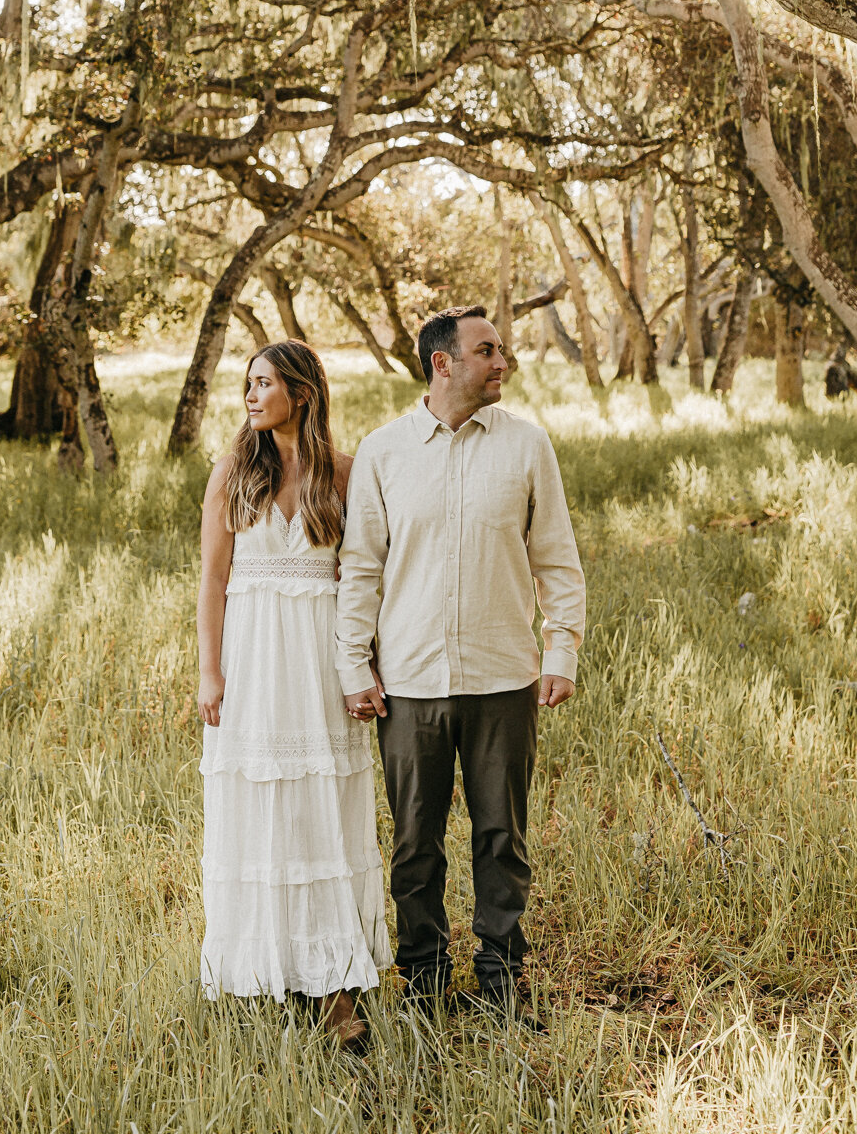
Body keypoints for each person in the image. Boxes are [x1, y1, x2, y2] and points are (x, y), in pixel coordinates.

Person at [336, 306, 586, 1021]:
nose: (501, 361)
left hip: (504, 678)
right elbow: (360, 569)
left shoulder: (528, 446)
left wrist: (559, 649)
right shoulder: (383, 452)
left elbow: (556, 557)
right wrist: (355, 667)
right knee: (415, 844)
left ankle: (502, 980)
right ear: (442, 362)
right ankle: (424, 980)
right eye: (486, 350)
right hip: (408, 684)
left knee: (501, 838)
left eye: (501, 349)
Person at [197, 339, 390, 1051]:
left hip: (315, 669)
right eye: (246, 384)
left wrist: (360, 669)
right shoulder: (231, 475)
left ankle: (334, 987)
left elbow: (364, 582)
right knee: (256, 812)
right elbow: (211, 583)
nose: (250, 396)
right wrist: (208, 672)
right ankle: (264, 969)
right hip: (250, 667)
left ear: (301, 394)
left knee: (319, 815)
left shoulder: (342, 475)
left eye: (264, 383)